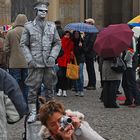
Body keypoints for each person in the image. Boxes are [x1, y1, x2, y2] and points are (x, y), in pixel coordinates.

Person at [20, 1, 61, 110]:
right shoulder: (28, 26)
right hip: (35, 63)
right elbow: (23, 44)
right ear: (36, 11)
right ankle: (33, 112)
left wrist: (53, 56)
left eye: (45, 11)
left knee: (50, 89)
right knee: (32, 90)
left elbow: (57, 43)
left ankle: (50, 111)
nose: (43, 12)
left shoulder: (52, 26)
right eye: (41, 10)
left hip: (48, 63)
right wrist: (29, 59)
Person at [39, 100, 105, 140]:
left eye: (60, 120)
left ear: (65, 116)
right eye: (53, 124)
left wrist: (79, 127)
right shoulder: (47, 136)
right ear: (47, 127)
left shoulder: (75, 123)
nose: (58, 126)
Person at [4, 14, 29, 103]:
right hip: (27, 63)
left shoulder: (10, 32)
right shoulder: (29, 32)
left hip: (14, 63)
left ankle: (17, 104)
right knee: (27, 85)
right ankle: (26, 104)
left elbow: (5, 49)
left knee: (15, 85)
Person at [56, 31, 74, 97]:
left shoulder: (71, 42)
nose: (67, 36)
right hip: (61, 60)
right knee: (60, 75)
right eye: (66, 35)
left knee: (65, 76)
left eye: (68, 35)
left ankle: (64, 90)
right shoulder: (60, 41)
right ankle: (60, 89)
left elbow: (70, 50)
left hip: (67, 60)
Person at [84, 18, 97, 90]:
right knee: (88, 68)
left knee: (91, 68)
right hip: (88, 52)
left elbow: (91, 42)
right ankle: (90, 83)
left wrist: (86, 49)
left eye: (87, 23)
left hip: (90, 53)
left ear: (91, 23)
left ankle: (93, 84)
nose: (86, 24)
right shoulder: (88, 31)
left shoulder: (93, 31)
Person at [72, 31, 85, 97]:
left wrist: (81, 46)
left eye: (77, 34)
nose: (76, 35)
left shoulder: (82, 41)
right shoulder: (72, 41)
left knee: (80, 75)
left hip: (80, 60)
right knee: (75, 75)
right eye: (75, 34)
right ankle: (76, 89)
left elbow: (84, 50)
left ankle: (81, 90)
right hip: (74, 60)